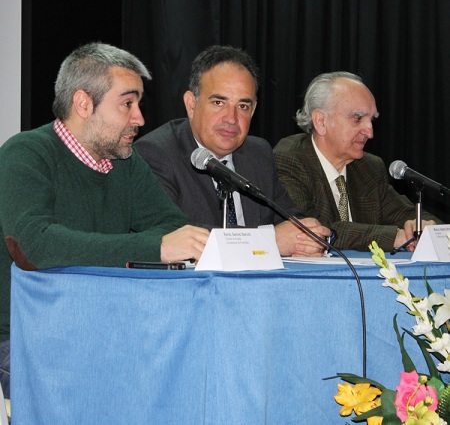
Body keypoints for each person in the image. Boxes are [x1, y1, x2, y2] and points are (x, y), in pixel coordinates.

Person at [0, 43, 210, 398]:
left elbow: (172, 227)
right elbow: (35, 244)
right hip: (27, 336)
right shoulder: (25, 154)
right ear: (83, 104)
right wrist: (154, 247)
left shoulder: (126, 163)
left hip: (106, 331)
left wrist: (165, 242)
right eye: (127, 103)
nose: (140, 118)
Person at [135, 45, 330, 257]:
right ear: (191, 105)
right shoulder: (157, 153)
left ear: (253, 110)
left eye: (243, 106)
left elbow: (292, 223)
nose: (231, 119)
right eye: (219, 102)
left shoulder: (258, 153)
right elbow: (175, 239)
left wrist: (307, 238)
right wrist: (268, 243)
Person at [273, 71, 441, 252]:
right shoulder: (289, 159)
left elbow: (405, 213)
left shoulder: (369, 167)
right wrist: (396, 237)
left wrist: (427, 229)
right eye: (358, 118)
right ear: (321, 121)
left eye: (371, 120)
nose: (370, 132)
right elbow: (314, 229)